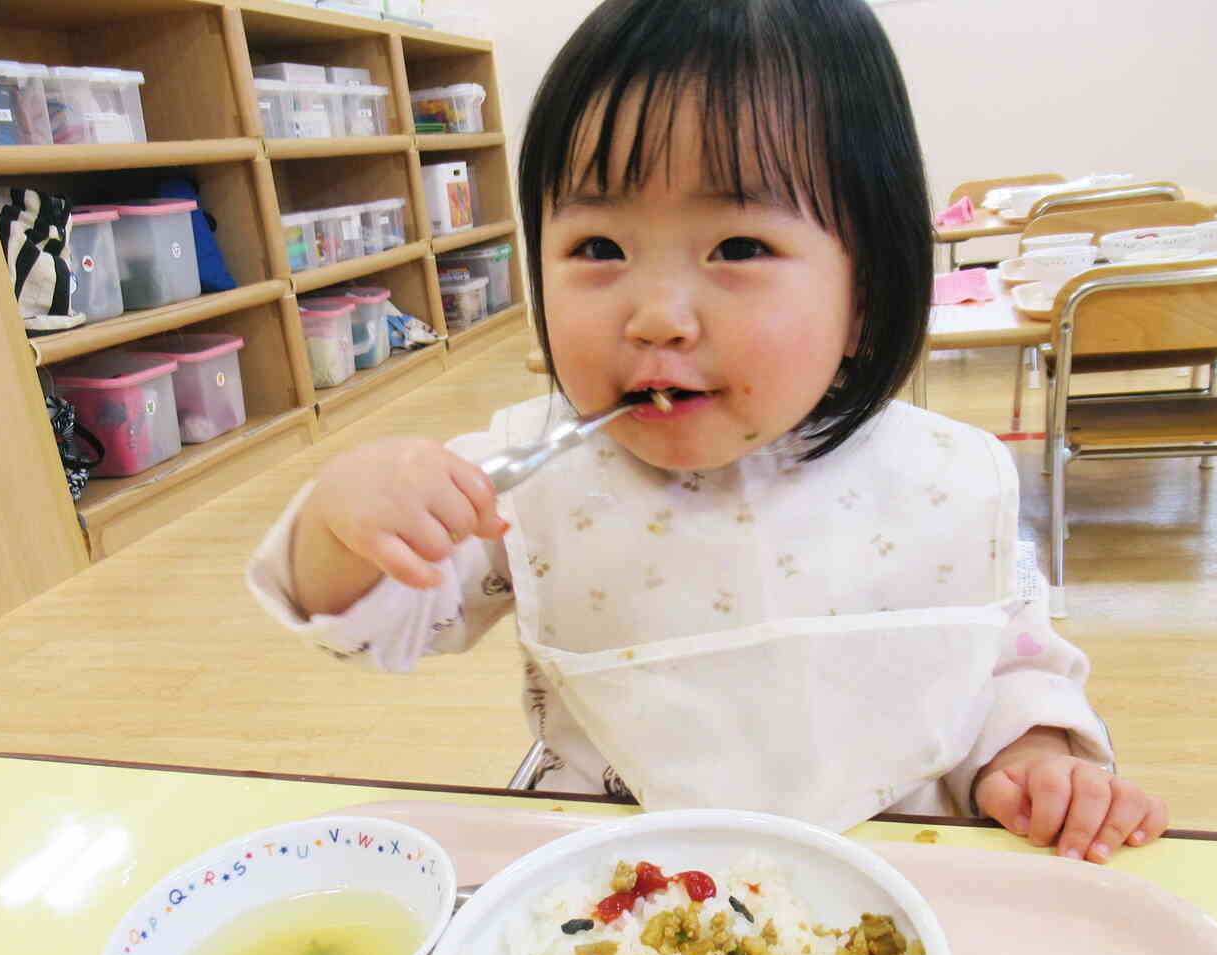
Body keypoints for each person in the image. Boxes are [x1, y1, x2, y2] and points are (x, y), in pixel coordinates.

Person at [250, 0, 1168, 863]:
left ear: (866, 292)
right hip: (611, 898)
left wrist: (1043, 759)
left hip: (891, 892)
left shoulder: (944, 480)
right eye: (598, 249)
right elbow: (369, 621)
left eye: (737, 248)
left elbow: (1004, 662)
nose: (657, 316)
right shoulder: (524, 478)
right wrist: (347, 522)